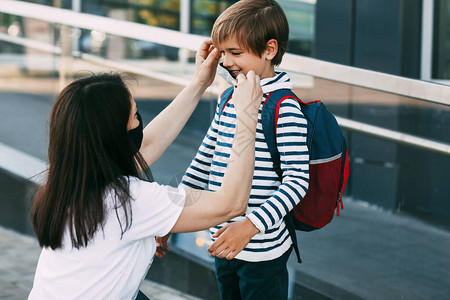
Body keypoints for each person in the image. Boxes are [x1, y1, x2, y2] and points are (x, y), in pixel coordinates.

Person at [28, 40, 263, 299]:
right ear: (114, 137)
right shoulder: (128, 201)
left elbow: (146, 145)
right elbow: (230, 203)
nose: (140, 122)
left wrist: (199, 83)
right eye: (135, 116)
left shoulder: (69, 177)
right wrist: (247, 117)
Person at [179, 1, 310, 299]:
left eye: (235, 53)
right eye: (222, 52)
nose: (225, 61)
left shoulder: (284, 108)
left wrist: (250, 226)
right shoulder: (228, 98)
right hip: (222, 241)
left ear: (269, 49)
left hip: (262, 252)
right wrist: (174, 215)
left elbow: (297, 180)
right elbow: (204, 161)